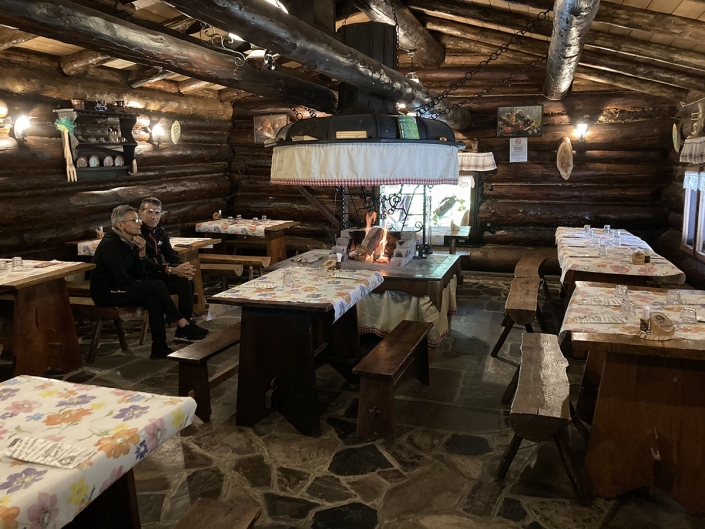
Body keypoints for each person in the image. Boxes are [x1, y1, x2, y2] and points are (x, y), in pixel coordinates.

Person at [90, 205, 207, 359]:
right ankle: (181, 322)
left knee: (154, 301)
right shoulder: (111, 244)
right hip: (107, 292)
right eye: (134, 220)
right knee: (155, 285)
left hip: (123, 287)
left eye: (138, 219)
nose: (139, 223)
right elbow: (121, 278)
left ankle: (159, 348)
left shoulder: (132, 241)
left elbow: (137, 273)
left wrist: (142, 253)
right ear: (120, 225)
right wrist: (140, 286)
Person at [138, 197, 205, 333]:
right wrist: (170, 270)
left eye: (157, 213)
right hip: (144, 276)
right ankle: (184, 324)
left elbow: (170, 254)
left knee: (186, 280)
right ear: (140, 213)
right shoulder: (137, 233)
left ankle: (186, 322)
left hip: (160, 273)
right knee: (179, 280)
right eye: (150, 212)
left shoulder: (160, 232)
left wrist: (182, 268)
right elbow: (144, 263)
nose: (154, 217)